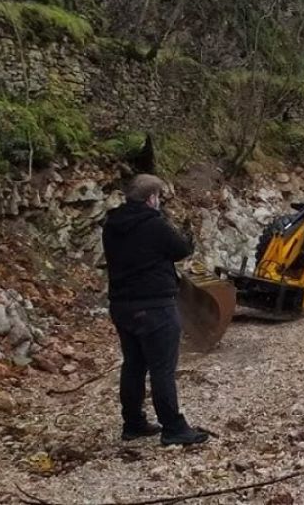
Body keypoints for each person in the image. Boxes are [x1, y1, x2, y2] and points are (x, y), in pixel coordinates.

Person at [102, 174, 208, 446]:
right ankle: (173, 427)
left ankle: (133, 423)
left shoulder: (111, 225)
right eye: (158, 197)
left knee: (134, 365)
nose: (159, 202)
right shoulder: (154, 225)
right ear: (152, 198)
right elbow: (181, 249)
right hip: (155, 305)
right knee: (162, 369)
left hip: (122, 305)